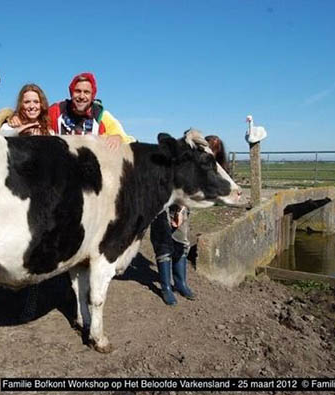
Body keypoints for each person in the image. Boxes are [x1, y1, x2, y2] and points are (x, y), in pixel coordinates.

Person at [151, 131, 229, 306]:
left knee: (181, 242)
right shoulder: (186, 161)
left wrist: (181, 210)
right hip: (162, 198)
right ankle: (166, 288)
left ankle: (181, 283)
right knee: (163, 242)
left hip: (182, 203)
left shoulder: (209, 168)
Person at [47, 72, 134, 148]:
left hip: (91, 164)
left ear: (92, 96)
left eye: (86, 92)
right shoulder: (56, 111)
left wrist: (118, 138)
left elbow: (127, 139)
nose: (81, 96)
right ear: (71, 93)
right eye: (77, 91)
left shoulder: (102, 116)